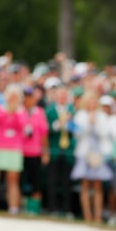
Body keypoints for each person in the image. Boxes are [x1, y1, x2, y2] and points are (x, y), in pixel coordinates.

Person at [70, 91, 114, 224]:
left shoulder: (102, 117)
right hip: (84, 153)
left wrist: (95, 123)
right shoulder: (80, 115)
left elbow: (105, 134)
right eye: (89, 101)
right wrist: (88, 124)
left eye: (94, 101)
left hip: (97, 153)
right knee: (85, 185)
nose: (92, 104)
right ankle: (87, 215)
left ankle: (98, 216)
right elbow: (77, 134)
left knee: (97, 185)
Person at [0, 84, 27, 214]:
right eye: (11, 96)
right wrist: (9, 111)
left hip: (14, 149)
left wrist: (15, 112)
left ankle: (14, 208)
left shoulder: (22, 112)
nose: (13, 99)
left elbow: (23, 126)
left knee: (13, 180)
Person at [45, 84, 76, 218]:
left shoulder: (71, 110)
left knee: (66, 181)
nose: (62, 97)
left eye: (64, 95)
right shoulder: (50, 111)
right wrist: (60, 123)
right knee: (52, 180)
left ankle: (66, 209)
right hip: (55, 149)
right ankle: (52, 208)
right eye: (60, 95)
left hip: (67, 150)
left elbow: (75, 130)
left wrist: (69, 123)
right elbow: (48, 130)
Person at [20, 86, 49, 215]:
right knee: (20, 181)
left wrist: (45, 152)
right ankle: (20, 206)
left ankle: (34, 209)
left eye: (30, 97)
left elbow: (44, 135)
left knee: (36, 182)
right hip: (20, 151)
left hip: (35, 152)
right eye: (26, 97)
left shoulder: (39, 112)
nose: (28, 99)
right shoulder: (19, 111)